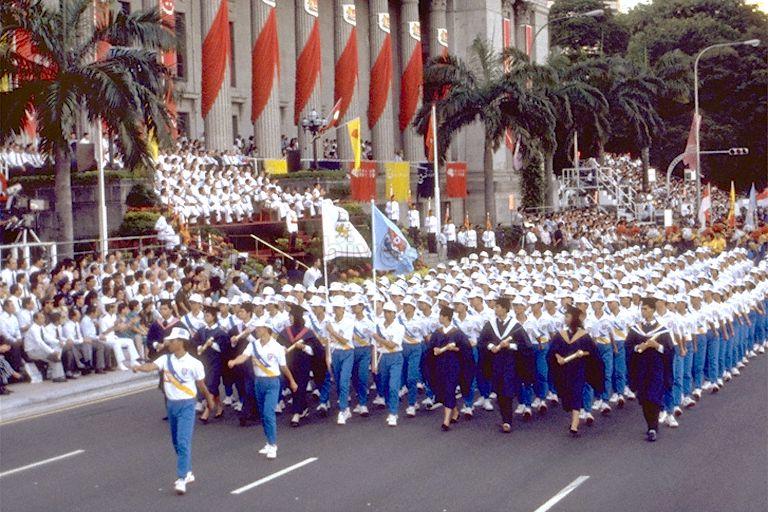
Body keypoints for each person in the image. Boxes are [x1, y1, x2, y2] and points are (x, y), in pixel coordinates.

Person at [132, 327, 214, 495]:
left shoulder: (194, 364)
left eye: (172, 340)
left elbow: (201, 385)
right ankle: (188, 471)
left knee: (183, 442)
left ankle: (181, 478)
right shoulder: (165, 359)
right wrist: (139, 368)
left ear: (180, 342)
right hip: (172, 405)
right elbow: (151, 366)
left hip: (187, 405)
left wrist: (209, 399)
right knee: (177, 443)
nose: (168, 343)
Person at [228, 318, 298, 459]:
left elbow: (283, 367)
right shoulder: (253, 345)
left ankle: (273, 445)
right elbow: (244, 356)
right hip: (258, 382)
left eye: (259, 328)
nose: (257, 330)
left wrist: (292, 381)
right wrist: (235, 361)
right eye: (256, 328)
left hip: (272, 382)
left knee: (268, 413)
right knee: (262, 414)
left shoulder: (277, 347)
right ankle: (268, 442)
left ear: (266, 329)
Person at [478, 297, 533, 433]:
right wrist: (491, 346)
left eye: (497, 307)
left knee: (507, 388)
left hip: (511, 362)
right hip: (495, 361)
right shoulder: (490, 325)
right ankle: (504, 416)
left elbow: (526, 346)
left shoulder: (515, 326)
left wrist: (510, 345)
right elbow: (482, 341)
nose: (495, 309)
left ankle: (507, 420)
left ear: (504, 308)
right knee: (498, 390)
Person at [548, 306, 604, 437]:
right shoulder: (561, 335)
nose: (565, 319)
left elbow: (593, 353)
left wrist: (582, 353)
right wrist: (558, 357)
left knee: (577, 393)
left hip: (579, 369)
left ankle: (574, 424)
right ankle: (574, 416)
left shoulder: (584, 336)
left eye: (567, 316)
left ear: (573, 319)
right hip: (565, 370)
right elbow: (553, 350)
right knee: (567, 394)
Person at [625, 297, 674, 442]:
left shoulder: (662, 330)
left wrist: (656, 346)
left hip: (656, 369)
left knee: (654, 396)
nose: (643, 311)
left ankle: (653, 427)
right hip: (641, 369)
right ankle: (650, 425)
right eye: (642, 309)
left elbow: (670, 350)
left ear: (653, 310)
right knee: (645, 398)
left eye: (645, 309)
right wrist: (638, 347)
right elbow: (628, 346)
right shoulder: (636, 329)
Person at [423, 307, 474, 431]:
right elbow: (430, 348)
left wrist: (455, 349)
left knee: (450, 389)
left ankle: (446, 421)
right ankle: (455, 412)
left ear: (446, 317)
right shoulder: (438, 332)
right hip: (440, 366)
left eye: (441, 316)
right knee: (443, 390)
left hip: (453, 365)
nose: (439, 318)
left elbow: (466, 349)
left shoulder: (457, 333)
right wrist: (434, 350)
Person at [276, 304, 325, 427]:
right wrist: (281, 348)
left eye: (292, 316)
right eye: (289, 316)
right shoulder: (285, 332)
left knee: (301, 386)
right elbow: (278, 344)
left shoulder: (307, 333)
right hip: (289, 364)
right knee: (293, 386)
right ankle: (303, 408)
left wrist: (304, 347)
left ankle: (296, 414)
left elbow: (317, 350)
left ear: (298, 317)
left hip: (303, 364)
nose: (290, 318)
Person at [371, 302, 405, 426]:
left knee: (393, 386)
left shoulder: (399, 327)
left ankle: (393, 413)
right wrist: (374, 362)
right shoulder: (378, 326)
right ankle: (390, 404)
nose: (387, 314)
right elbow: (374, 346)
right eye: (385, 312)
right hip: (382, 357)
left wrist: (378, 338)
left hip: (395, 357)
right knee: (384, 385)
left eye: (390, 312)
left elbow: (391, 344)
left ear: (394, 314)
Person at [194, 306, 228, 422]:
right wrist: (200, 347)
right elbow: (196, 342)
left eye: (208, 315)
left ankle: (206, 412)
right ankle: (219, 407)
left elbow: (223, 348)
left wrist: (212, 345)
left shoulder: (220, 332)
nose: (205, 317)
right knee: (208, 384)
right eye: (205, 315)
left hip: (216, 362)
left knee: (212, 386)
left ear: (213, 317)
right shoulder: (202, 330)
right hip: (204, 361)